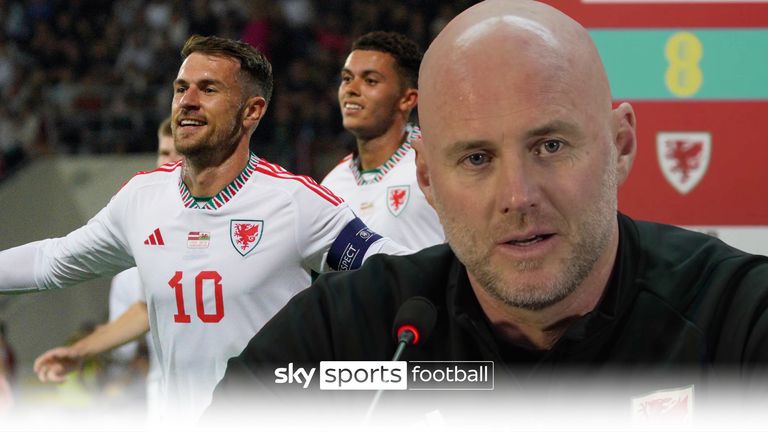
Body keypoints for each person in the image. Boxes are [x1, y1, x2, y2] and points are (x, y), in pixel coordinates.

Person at [208, 0, 768, 427]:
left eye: (550, 145)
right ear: (426, 176)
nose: (518, 195)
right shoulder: (345, 335)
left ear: (619, 146)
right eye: (476, 158)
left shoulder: (736, 320)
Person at [0, 35, 404, 420]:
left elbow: (394, 271)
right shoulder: (142, 199)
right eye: (181, 88)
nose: (187, 102)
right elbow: (52, 261)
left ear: (252, 111)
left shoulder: (295, 203)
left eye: (208, 90)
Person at [33, 116, 180, 414]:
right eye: (164, 153)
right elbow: (143, 313)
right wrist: (80, 350)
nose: (171, 161)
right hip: (167, 404)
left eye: (180, 152)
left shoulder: (242, 219)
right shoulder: (134, 255)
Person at [321, 31, 444, 250]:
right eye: (347, 79)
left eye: (370, 81)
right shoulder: (332, 186)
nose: (351, 89)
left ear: (407, 99)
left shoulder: (437, 164)